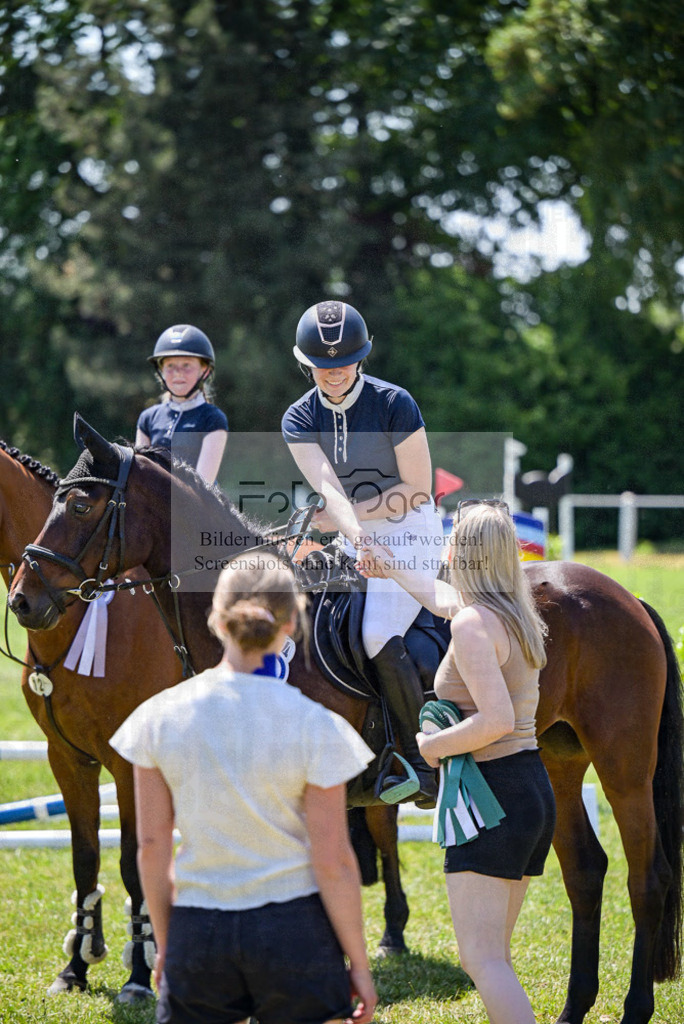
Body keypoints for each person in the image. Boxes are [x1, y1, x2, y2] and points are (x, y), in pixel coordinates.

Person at [109, 556, 377, 1024]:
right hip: (295, 930)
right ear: (293, 622)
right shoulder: (319, 726)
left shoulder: (156, 718)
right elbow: (333, 858)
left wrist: (169, 946)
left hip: (199, 927)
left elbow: (151, 848)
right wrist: (359, 961)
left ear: (216, 617)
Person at [357, 500, 555, 1024]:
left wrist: (430, 747)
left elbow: (494, 720)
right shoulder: (513, 612)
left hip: (492, 798)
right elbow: (441, 598)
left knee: (482, 959)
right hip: (528, 789)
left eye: (451, 536)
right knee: (497, 958)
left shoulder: (471, 624)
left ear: (462, 551)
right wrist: (388, 564)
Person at [281, 299, 444, 806]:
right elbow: (328, 488)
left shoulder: (396, 403)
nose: (334, 374)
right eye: (323, 366)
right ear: (306, 363)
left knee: (376, 631)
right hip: (354, 531)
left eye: (344, 362)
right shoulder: (298, 417)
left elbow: (418, 486)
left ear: (362, 357)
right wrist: (353, 532)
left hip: (412, 527)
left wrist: (357, 527)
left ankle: (423, 763)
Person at [135, 323, 228, 485]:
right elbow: (141, 474)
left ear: (204, 371)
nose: (178, 373)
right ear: (161, 371)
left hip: (198, 506)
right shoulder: (148, 418)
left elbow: (202, 486)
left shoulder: (213, 419)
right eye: (170, 366)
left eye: (186, 365)